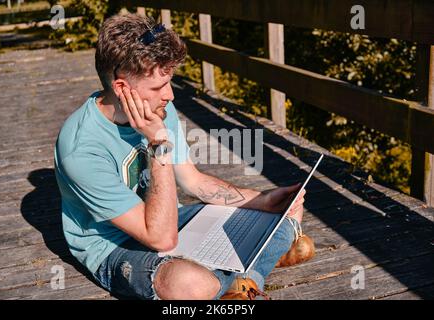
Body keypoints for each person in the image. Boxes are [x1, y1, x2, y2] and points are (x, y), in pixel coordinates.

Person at [54, 13, 314, 300]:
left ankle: (241, 277)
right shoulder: (81, 149)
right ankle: (254, 268)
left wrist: (260, 200)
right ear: (121, 88)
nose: (170, 95)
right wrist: (158, 143)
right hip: (115, 245)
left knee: (288, 210)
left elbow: (193, 181)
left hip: (171, 219)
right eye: (157, 87)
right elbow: (161, 238)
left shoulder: (157, 106)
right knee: (189, 284)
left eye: (169, 82)